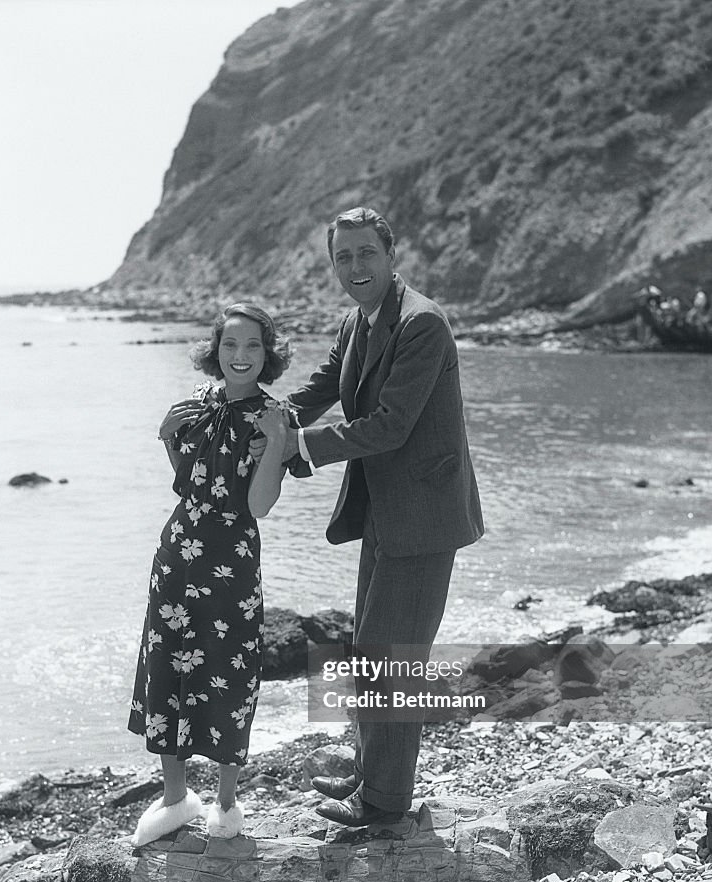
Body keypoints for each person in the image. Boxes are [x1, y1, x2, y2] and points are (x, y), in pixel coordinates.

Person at [265, 206, 484, 828]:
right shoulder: (358, 321)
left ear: (391, 256)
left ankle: (384, 806)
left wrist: (300, 449)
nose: (355, 267)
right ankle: (371, 774)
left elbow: (388, 426)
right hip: (384, 513)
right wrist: (268, 415)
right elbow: (324, 384)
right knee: (368, 651)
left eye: (366, 253)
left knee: (393, 661)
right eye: (343, 257)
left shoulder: (423, 325)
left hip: (424, 517)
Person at [127, 303, 291, 846]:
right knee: (167, 667)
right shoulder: (196, 405)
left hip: (232, 563)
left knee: (229, 670)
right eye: (230, 345)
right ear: (214, 350)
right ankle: (175, 799)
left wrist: (274, 440)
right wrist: (167, 438)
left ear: (267, 354)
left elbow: (259, 504)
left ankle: (225, 802)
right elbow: (189, 482)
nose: (239, 356)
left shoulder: (273, 416)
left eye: (251, 347)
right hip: (177, 555)